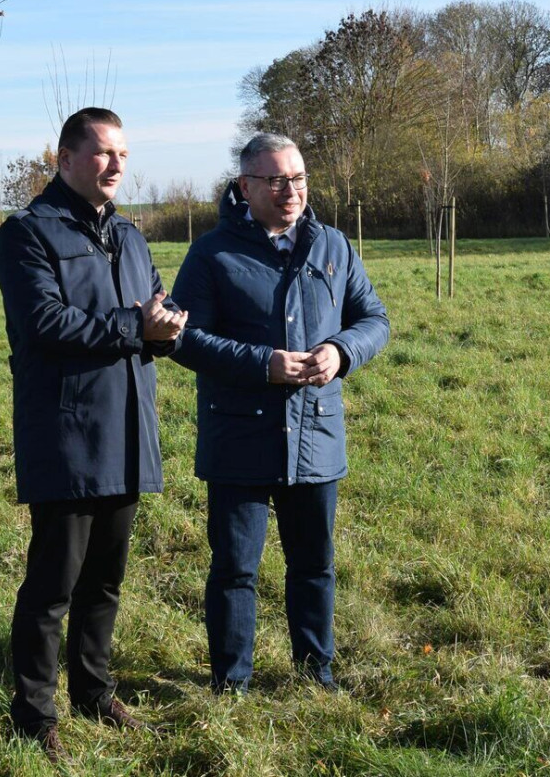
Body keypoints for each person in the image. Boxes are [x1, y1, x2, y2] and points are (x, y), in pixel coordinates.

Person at [0, 107, 187, 763]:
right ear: (66, 158)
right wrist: (137, 328)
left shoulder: (130, 238)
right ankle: (34, 711)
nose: (116, 166)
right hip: (68, 435)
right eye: (104, 153)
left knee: (105, 580)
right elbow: (46, 323)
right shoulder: (28, 234)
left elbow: (153, 305)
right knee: (53, 585)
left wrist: (163, 324)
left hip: (129, 430)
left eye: (124, 155)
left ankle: (94, 692)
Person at [170, 132, 388, 693]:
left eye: (298, 178)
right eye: (275, 180)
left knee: (314, 565)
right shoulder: (212, 253)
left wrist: (342, 352)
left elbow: (374, 320)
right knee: (236, 570)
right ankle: (231, 683)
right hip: (238, 438)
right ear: (245, 186)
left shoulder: (333, 246)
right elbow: (184, 339)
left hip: (316, 433)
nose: (290, 191)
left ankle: (317, 673)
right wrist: (261, 364)